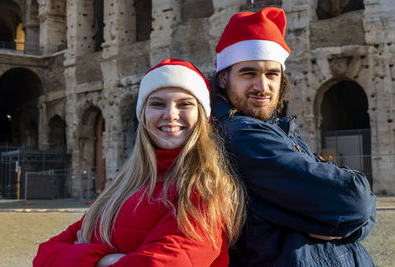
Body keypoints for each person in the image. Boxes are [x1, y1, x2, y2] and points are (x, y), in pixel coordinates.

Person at [33, 58, 245, 267]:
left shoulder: (207, 188)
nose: (170, 114)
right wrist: (109, 259)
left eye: (184, 104)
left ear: (201, 116)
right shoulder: (122, 185)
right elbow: (44, 256)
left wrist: (88, 256)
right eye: (157, 104)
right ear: (143, 114)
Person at [211, 7, 376, 267]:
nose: (262, 86)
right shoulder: (243, 136)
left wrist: (352, 226)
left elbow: (357, 208)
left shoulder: (277, 128)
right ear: (223, 78)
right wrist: (354, 215)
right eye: (248, 73)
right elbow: (356, 200)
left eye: (271, 74)